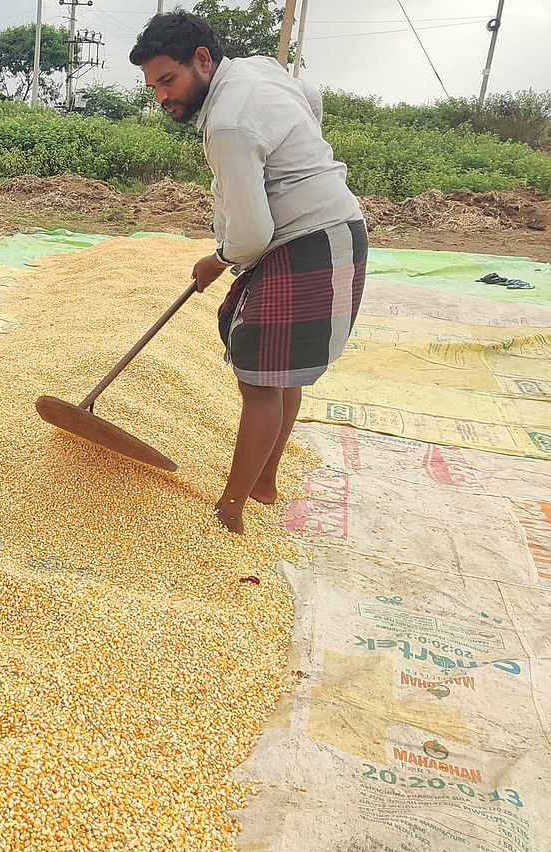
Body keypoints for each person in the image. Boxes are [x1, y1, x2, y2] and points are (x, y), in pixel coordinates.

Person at [130, 11, 366, 534]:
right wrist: (304, 153)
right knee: (283, 372)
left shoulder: (228, 122)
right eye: (152, 87)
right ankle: (263, 482)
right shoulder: (257, 68)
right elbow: (310, 95)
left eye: (168, 80)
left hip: (306, 243)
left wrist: (215, 260)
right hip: (338, 231)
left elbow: (252, 234)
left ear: (202, 59)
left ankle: (230, 511)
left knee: (260, 382)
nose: (162, 97)